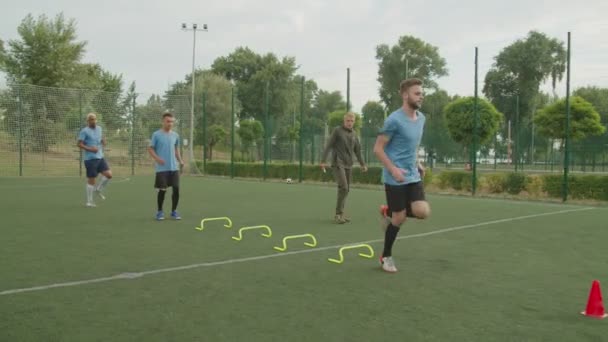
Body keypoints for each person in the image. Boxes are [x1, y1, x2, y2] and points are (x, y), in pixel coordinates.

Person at [374, 79, 431, 273]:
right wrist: (393, 169)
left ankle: (388, 212)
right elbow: (378, 149)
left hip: (413, 174)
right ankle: (386, 256)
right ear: (405, 95)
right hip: (394, 176)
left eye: (421, 93)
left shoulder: (422, 118)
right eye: (417, 93)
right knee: (400, 218)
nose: (421, 96)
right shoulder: (394, 120)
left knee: (423, 211)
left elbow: (412, 146)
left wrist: (417, 162)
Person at [320, 112, 367, 224]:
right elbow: (329, 145)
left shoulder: (354, 134)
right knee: (344, 187)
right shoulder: (337, 131)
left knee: (346, 189)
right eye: (348, 121)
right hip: (338, 163)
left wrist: (362, 164)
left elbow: (358, 151)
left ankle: (340, 214)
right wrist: (323, 161)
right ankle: (338, 214)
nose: (350, 123)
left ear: (354, 122)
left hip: (348, 164)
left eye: (352, 121)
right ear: (344, 121)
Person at [147, 112, 185, 221]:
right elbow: (150, 148)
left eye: (172, 122)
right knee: (162, 190)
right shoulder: (156, 134)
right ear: (163, 121)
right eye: (168, 121)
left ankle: (174, 211)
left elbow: (176, 149)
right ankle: (159, 212)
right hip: (162, 169)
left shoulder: (175, 135)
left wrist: (180, 160)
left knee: (176, 189)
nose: (170, 124)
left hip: (174, 168)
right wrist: (157, 159)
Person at [78, 113, 112, 207]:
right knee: (92, 180)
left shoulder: (99, 129)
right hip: (90, 159)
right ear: (88, 121)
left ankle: (98, 189)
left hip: (100, 157)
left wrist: (103, 141)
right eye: (91, 119)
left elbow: (101, 139)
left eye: (94, 119)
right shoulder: (84, 131)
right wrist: (90, 149)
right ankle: (89, 201)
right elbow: (79, 144)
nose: (93, 121)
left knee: (109, 175)